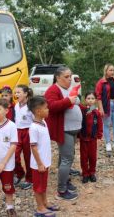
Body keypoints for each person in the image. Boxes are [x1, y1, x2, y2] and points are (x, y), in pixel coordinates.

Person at [45, 66, 81, 201]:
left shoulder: (66, 89)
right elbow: (51, 107)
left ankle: (65, 181)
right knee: (67, 159)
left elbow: (73, 104)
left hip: (71, 129)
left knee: (65, 157)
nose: (70, 79)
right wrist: (68, 101)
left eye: (70, 76)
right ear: (58, 77)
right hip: (64, 130)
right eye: (66, 77)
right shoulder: (53, 90)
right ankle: (61, 190)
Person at [29, 96, 59, 217]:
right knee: (38, 186)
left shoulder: (43, 122)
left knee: (44, 184)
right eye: (46, 108)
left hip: (45, 162)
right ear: (38, 111)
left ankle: (45, 202)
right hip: (38, 164)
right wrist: (40, 163)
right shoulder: (34, 127)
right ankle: (40, 207)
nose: (48, 110)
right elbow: (34, 147)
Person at [95, 63, 114, 153]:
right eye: (110, 70)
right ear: (106, 71)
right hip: (106, 106)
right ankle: (108, 143)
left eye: (113, 70)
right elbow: (98, 96)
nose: (112, 72)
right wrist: (101, 108)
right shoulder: (101, 82)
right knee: (107, 125)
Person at [78, 92, 103, 183]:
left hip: (93, 139)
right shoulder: (82, 110)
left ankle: (92, 172)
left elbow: (100, 126)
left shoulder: (96, 113)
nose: (90, 100)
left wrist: (99, 137)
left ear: (95, 100)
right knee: (84, 157)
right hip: (83, 138)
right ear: (85, 100)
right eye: (88, 98)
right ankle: (85, 173)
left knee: (92, 157)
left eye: (92, 98)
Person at [13, 85, 34, 190]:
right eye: (15, 92)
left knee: (28, 156)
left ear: (25, 93)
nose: (16, 94)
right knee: (14, 155)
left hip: (28, 132)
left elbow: (36, 121)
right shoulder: (16, 105)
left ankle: (30, 179)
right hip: (17, 132)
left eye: (18, 92)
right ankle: (20, 172)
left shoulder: (31, 106)